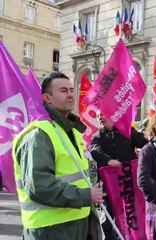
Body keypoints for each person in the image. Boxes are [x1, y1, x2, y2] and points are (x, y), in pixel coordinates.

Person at [13, 72, 103, 240]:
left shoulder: (70, 130)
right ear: (47, 98)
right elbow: (39, 185)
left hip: (77, 222)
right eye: (63, 90)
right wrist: (85, 195)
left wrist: (91, 183)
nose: (70, 94)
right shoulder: (38, 134)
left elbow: (77, 169)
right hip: (51, 229)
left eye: (70, 89)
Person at [90, 111, 148, 239]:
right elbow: (94, 149)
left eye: (103, 114)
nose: (100, 117)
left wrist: (144, 153)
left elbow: (144, 143)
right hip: (110, 186)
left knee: (133, 214)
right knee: (109, 219)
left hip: (129, 183)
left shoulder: (126, 130)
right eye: (98, 115)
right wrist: (108, 160)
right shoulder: (98, 136)